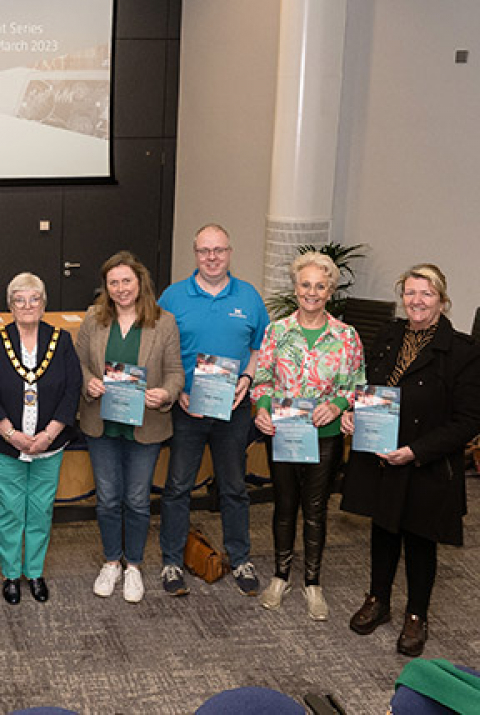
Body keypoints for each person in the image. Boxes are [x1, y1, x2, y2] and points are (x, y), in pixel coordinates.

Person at [341, 264, 480, 657]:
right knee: (383, 530)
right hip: (383, 454)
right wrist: (355, 412)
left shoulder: (463, 351)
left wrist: (416, 452)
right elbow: (369, 387)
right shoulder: (388, 335)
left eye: (427, 294)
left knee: (420, 539)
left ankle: (417, 615)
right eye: (411, 292)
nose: (417, 301)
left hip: (426, 461)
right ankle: (378, 600)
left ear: (442, 299)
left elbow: (469, 420)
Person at [158, 224, 270, 597]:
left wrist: (248, 379)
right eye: (205, 250)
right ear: (195, 254)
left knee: (235, 486)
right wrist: (176, 393)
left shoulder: (250, 297)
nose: (212, 257)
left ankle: (240, 558)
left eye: (219, 250)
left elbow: (260, 347)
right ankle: (172, 561)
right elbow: (158, 352)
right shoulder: (173, 298)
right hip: (186, 408)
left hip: (233, 408)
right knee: (177, 487)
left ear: (230, 252)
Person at [252, 252, 364, 620]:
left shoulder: (346, 336)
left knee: (315, 510)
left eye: (320, 286)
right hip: (283, 432)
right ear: (295, 288)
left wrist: (335, 405)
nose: (312, 292)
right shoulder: (277, 331)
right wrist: (263, 408)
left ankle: (313, 584)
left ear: (329, 291)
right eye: (305, 285)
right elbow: (263, 377)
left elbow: (355, 385)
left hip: (326, 435)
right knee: (284, 507)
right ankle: (280, 577)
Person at [76, 251, 183, 603]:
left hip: (145, 426)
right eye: (113, 282)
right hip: (103, 424)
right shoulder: (94, 319)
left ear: (140, 283)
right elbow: (77, 364)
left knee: (137, 500)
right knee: (107, 499)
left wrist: (165, 394)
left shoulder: (163, 322)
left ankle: (133, 566)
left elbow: (175, 373)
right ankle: (111, 562)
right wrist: (89, 382)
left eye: (127, 281)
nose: (121, 288)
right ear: (105, 287)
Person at [0, 272, 81, 604]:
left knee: (39, 510)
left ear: (44, 303)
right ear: (10, 305)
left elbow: (72, 390)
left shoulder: (61, 340)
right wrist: (11, 434)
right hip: (7, 445)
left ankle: (34, 572)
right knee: (8, 511)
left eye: (34, 299)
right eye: (19, 299)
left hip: (50, 445)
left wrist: (49, 434)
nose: (27, 305)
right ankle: (10, 574)